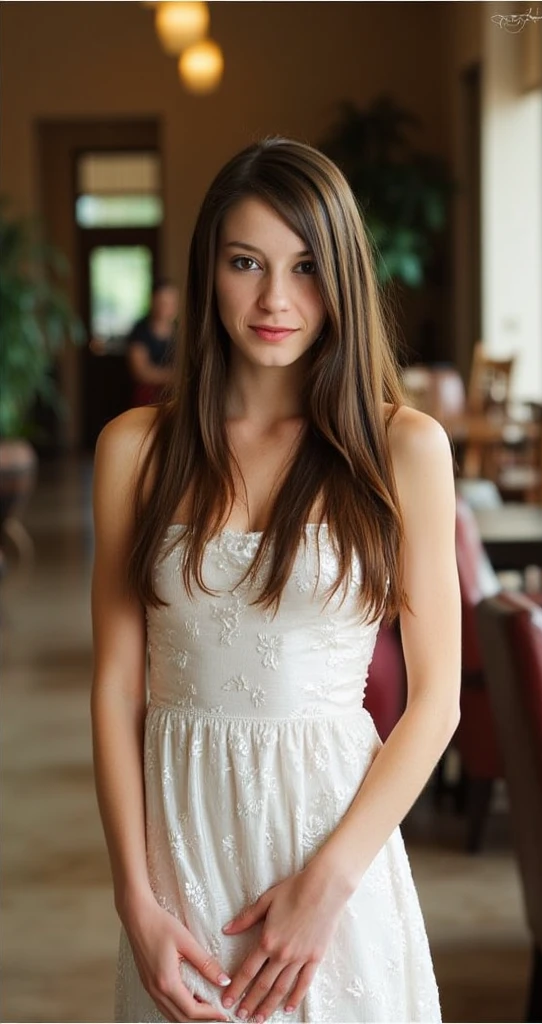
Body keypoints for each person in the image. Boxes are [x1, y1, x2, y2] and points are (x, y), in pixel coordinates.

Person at [91, 137, 461, 1024]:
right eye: (246, 263)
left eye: (305, 267)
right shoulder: (135, 451)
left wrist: (326, 888)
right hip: (181, 868)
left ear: (342, 281)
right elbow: (113, 688)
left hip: (334, 860)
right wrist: (134, 901)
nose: (275, 300)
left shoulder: (402, 449)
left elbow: (437, 698)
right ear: (207, 271)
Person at [126, 278, 179, 407]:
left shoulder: (181, 330)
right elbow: (141, 371)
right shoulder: (140, 330)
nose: (167, 308)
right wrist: (174, 376)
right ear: (153, 301)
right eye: (163, 303)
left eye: (171, 303)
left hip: (175, 397)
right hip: (147, 398)